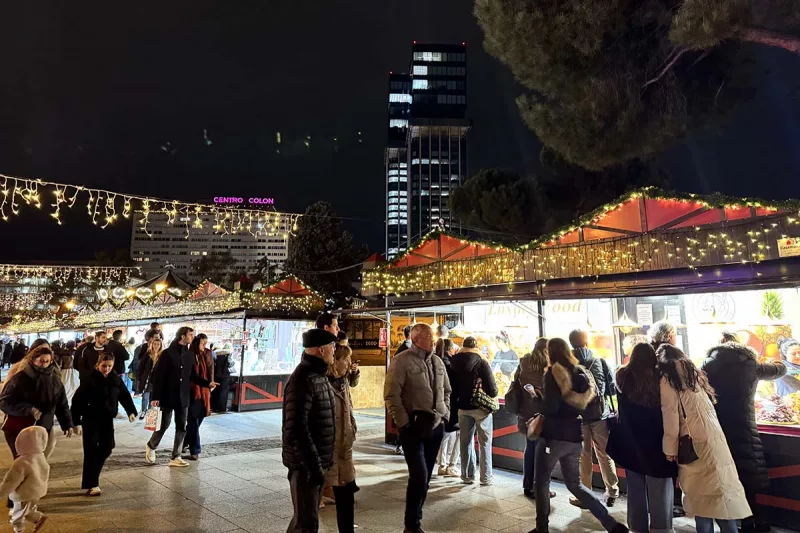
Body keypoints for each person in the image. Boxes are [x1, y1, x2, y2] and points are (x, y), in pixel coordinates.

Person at [531, 338, 627, 533]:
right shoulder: (579, 372)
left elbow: (551, 407)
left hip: (553, 436)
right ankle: (611, 524)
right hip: (575, 436)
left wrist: (537, 398)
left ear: (550, 353)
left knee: (541, 482)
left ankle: (542, 529)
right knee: (576, 485)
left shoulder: (552, 374)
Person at [658, 343, 750, 533]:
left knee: (702, 502)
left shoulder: (668, 380)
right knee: (722, 499)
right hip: (716, 442)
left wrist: (669, 450)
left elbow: (671, 417)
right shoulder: (695, 374)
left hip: (694, 446)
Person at [701, 332, 786, 533]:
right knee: (748, 475)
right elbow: (779, 370)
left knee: (729, 476)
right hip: (745, 425)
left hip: (719, 427)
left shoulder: (707, 365)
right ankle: (757, 521)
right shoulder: (749, 364)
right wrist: (774, 359)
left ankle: (738, 521)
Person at [385, 323, 451, 533]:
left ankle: (415, 521)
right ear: (416, 339)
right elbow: (391, 395)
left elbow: (447, 390)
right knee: (419, 476)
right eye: (428, 336)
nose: (433, 340)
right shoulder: (401, 362)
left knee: (426, 476)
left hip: (436, 427)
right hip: (413, 428)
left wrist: (444, 413)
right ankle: (412, 525)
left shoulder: (438, 362)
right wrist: (404, 423)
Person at [607, 343, 677, 533]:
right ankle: (661, 528)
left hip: (630, 441)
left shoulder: (622, 376)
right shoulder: (660, 379)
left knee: (635, 487)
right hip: (657, 441)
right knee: (660, 487)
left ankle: (637, 527)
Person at [282, 328, 337, 533]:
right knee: (306, 524)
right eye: (332, 346)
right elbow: (296, 429)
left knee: (305, 520)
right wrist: (313, 466)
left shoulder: (318, 375)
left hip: (315, 463)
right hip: (305, 465)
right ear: (321, 350)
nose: (334, 350)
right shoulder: (303, 379)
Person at [146, 327, 214, 468]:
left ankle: (176, 456)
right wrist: (155, 396)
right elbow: (158, 377)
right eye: (190, 335)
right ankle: (151, 446)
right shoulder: (167, 354)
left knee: (182, 426)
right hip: (168, 395)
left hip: (183, 396)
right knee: (164, 424)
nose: (192, 337)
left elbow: (192, 376)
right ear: (182, 336)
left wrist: (207, 383)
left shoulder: (189, 355)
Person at [71, 353, 137, 496]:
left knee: (107, 446)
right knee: (90, 451)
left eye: (109, 366)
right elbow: (77, 401)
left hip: (107, 419)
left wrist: (131, 411)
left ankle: (92, 476)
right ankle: (92, 484)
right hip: (90, 419)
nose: (106, 369)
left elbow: (124, 395)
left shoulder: (115, 379)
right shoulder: (89, 379)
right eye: (104, 366)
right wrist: (76, 422)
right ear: (98, 364)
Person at [568, 329, 619, 507]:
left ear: (571, 343)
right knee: (604, 454)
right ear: (586, 342)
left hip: (578, 416)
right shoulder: (598, 360)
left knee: (584, 456)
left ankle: (586, 495)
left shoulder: (567, 364)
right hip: (600, 414)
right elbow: (609, 387)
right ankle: (612, 491)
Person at [0, 346, 74, 459]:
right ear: (33, 360)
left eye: (47, 361)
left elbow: (61, 403)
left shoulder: (54, 380)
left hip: (44, 427)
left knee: (38, 462)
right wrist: (29, 409)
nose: (44, 364)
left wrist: (67, 423)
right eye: (41, 361)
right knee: (24, 462)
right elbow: (4, 401)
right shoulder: (20, 378)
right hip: (21, 428)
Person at [450, 335, 497, 486]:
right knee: (485, 443)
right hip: (481, 408)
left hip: (462, 407)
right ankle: (486, 477)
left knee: (465, 442)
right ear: (476, 346)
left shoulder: (453, 361)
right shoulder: (482, 362)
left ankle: (467, 476)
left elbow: (450, 387)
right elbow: (493, 390)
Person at [514, 338, 555, 499]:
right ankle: (541, 488)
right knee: (544, 452)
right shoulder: (548, 365)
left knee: (530, 448)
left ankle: (527, 485)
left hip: (525, 412)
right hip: (542, 413)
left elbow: (516, 382)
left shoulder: (524, 362)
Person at [324, 343, 359, 533]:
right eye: (346, 359)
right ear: (334, 361)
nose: (349, 362)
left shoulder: (343, 383)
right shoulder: (323, 383)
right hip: (328, 452)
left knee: (347, 497)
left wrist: (352, 428)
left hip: (345, 450)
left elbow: (349, 409)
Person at [0, 426, 50, 533]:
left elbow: (10, 482)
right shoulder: (40, 457)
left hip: (23, 495)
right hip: (36, 493)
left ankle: (19, 531)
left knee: (17, 515)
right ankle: (38, 518)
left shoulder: (21, 463)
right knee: (27, 511)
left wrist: (1, 493)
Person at [183, 333, 215, 460]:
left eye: (205, 343)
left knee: (197, 419)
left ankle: (185, 443)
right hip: (192, 391)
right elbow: (193, 376)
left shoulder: (205, 354)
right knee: (193, 421)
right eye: (203, 343)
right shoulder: (190, 355)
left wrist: (210, 384)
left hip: (204, 391)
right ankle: (195, 450)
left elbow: (210, 369)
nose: (204, 346)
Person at [434, 338, 460, 477]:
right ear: (450, 350)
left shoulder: (435, 359)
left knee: (446, 434)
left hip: (440, 402)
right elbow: (452, 385)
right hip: (450, 402)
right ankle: (450, 465)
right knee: (452, 433)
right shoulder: (449, 364)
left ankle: (442, 464)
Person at [135, 337, 163, 419]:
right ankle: (143, 411)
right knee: (145, 396)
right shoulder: (148, 354)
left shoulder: (162, 355)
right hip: (146, 378)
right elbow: (141, 366)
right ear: (152, 344)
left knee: (153, 397)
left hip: (156, 380)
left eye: (158, 344)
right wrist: (139, 377)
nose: (156, 346)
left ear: (161, 345)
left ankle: (150, 413)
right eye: (154, 344)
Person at [211, 347, 234, 413]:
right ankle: (221, 408)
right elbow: (230, 364)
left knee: (216, 391)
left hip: (216, 375)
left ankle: (214, 407)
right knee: (223, 392)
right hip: (225, 375)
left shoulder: (216, 354)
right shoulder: (227, 354)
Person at [60, 340, 80, 404]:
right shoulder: (77, 353)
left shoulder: (63, 353)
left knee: (64, 389)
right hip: (75, 373)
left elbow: (60, 364)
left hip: (64, 372)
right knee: (73, 389)